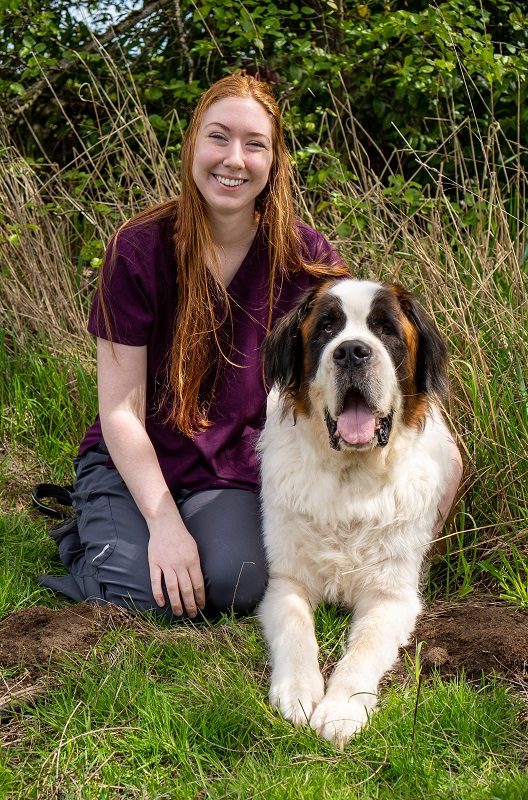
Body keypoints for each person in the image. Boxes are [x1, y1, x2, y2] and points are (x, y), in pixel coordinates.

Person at [39, 74, 462, 621]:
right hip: (135, 459)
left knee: (236, 583)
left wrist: (440, 442)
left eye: (254, 144)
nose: (233, 159)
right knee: (137, 596)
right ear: (192, 144)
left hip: (230, 469)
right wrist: (165, 525)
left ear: (274, 161)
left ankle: (174, 532)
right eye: (218, 137)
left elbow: (374, 354)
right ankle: (92, 526)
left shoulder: (307, 257)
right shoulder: (136, 250)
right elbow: (120, 411)